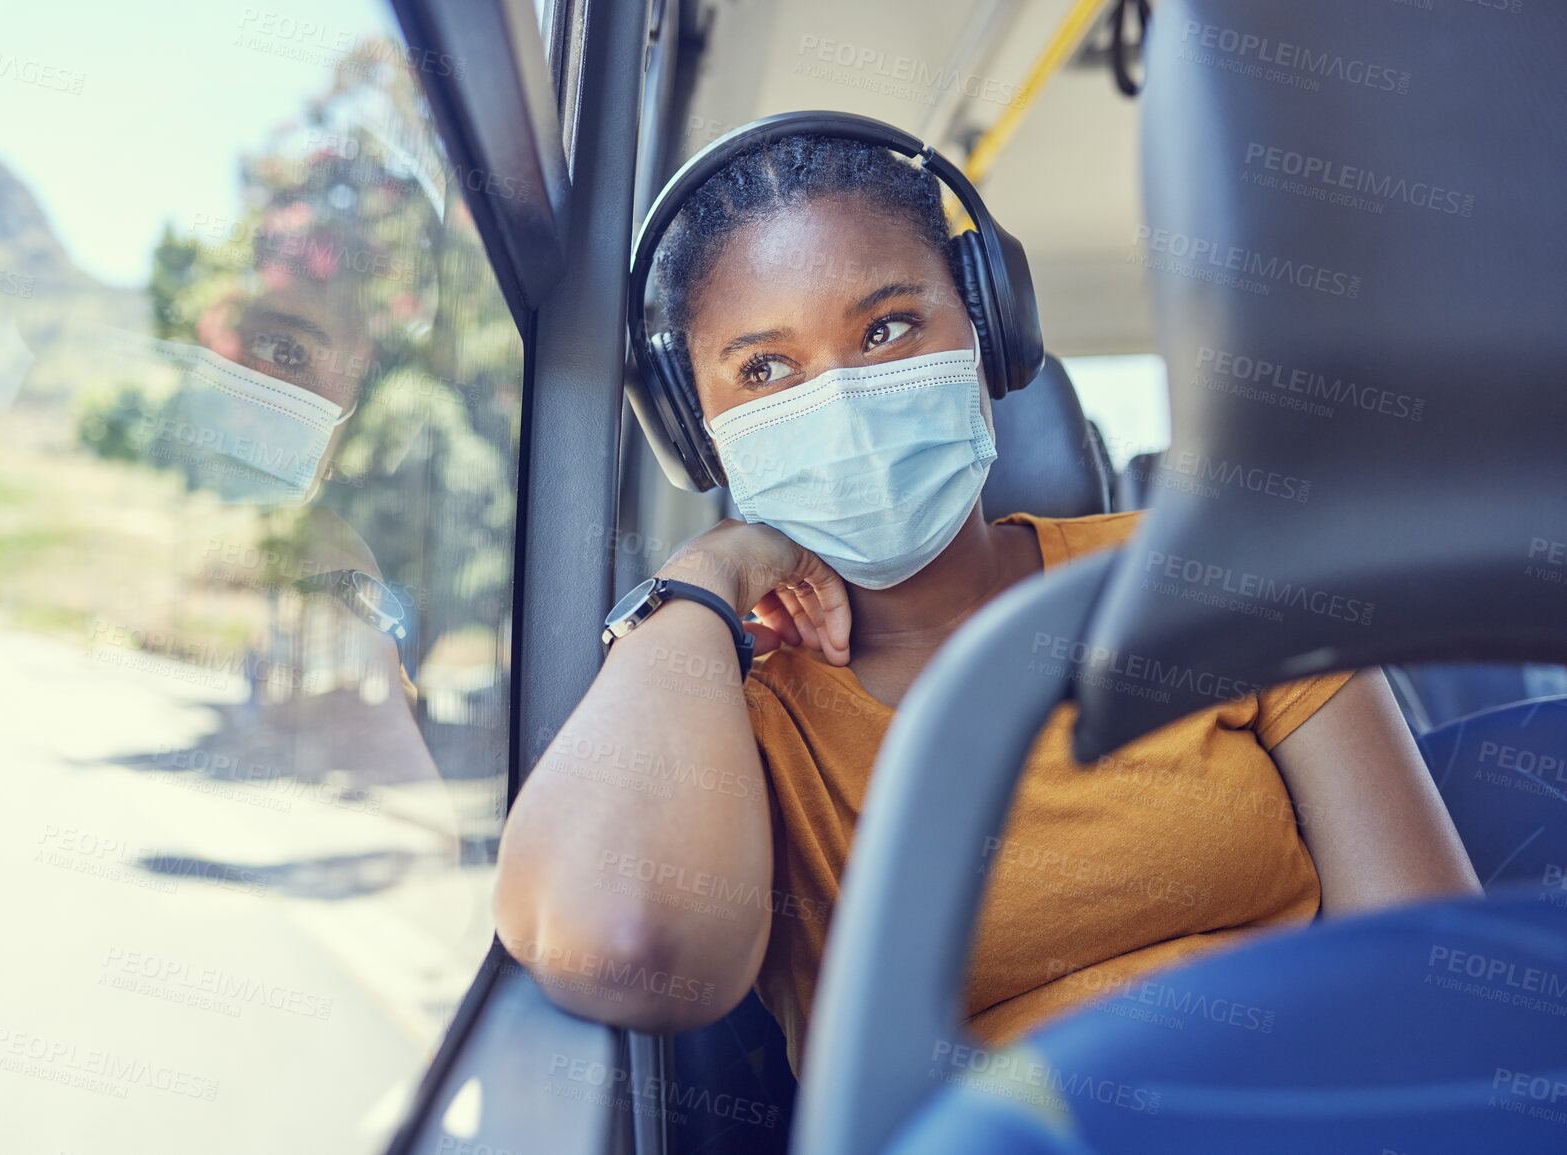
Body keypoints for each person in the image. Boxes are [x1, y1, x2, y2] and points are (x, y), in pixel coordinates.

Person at [491, 130, 1480, 1078]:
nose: (840, 400)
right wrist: (709, 574)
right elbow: (622, 945)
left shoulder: (1214, 580)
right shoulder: (738, 719)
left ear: (987, 329)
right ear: (696, 428)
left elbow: (1421, 965)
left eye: (887, 327)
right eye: (766, 369)